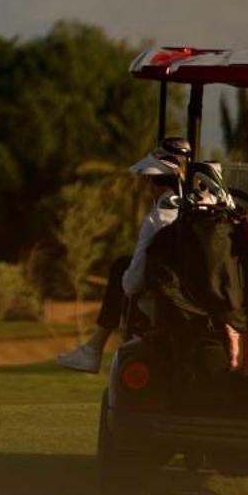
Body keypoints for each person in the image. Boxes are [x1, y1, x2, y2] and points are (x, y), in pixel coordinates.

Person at [55, 149, 185, 373]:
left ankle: (94, 348)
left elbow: (131, 284)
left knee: (121, 268)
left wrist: (126, 277)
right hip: (197, 301)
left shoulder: (157, 219)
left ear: (154, 184)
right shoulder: (197, 210)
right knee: (123, 265)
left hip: (161, 305)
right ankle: (93, 348)